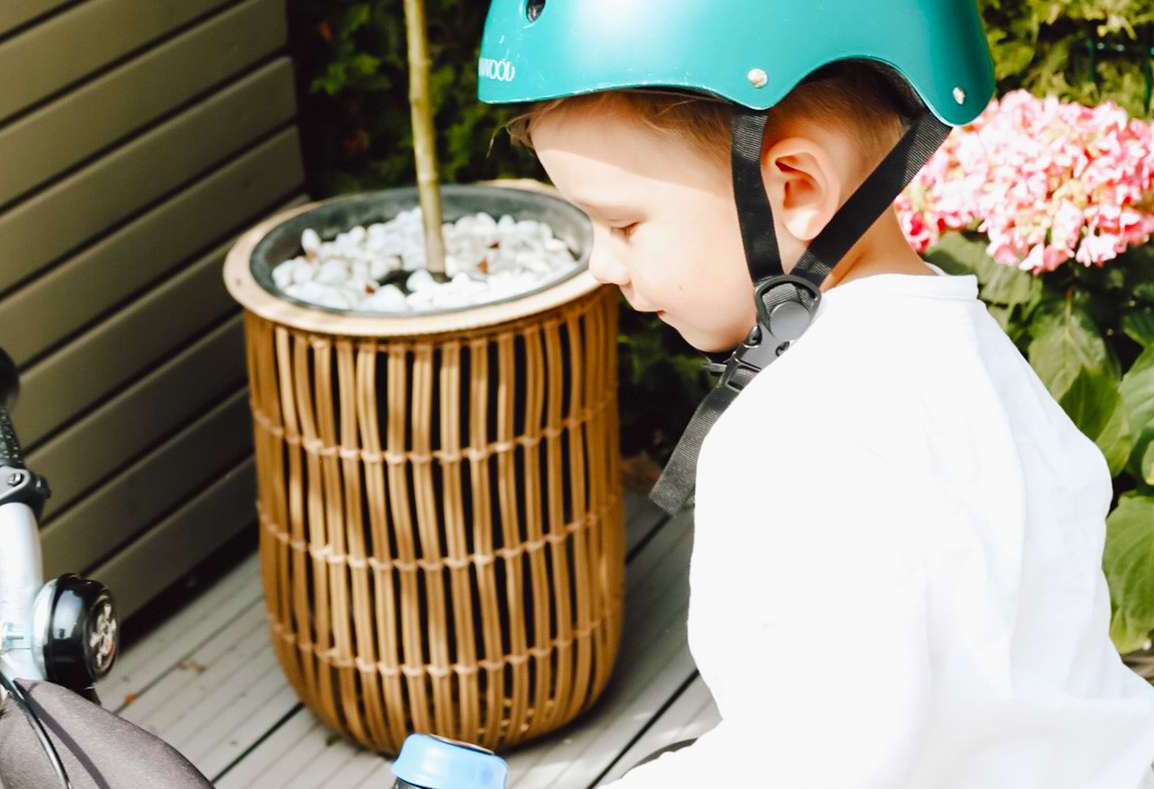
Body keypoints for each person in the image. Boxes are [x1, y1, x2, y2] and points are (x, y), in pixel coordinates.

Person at [476, 1, 1154, 786]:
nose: (602, 264)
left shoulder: (794, 438)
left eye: (623, 224)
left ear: (795, 187)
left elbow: (815, 760)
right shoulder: (976, 355)